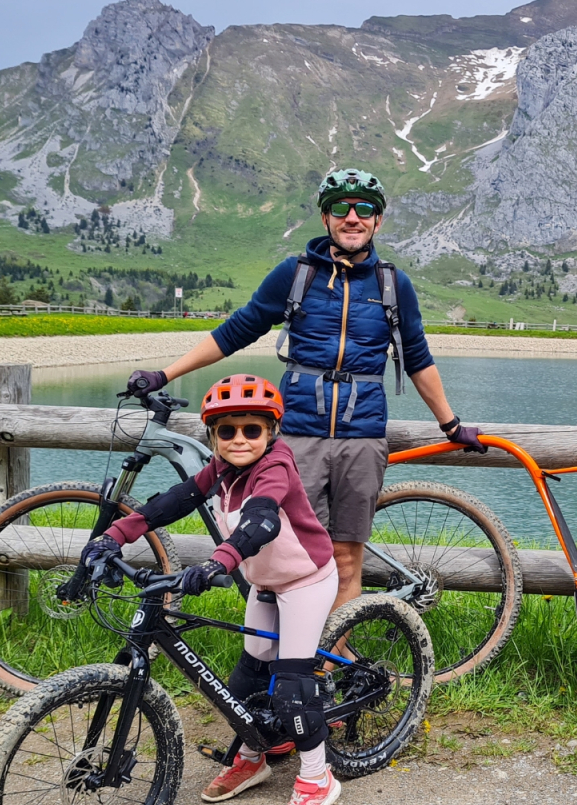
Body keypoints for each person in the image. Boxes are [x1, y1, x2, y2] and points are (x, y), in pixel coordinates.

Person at [124, 168, 480, 616]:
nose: (353, 218)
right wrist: (165, 373)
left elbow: (418, 359)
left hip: (362, 438)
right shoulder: (296, 275)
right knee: (283, 556)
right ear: (325, 218)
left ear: (378, 221)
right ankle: (280, 664)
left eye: (364, 209)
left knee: (347, 560)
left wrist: (451, 423)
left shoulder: (394, 286)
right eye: (341, 208)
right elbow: (236, 331)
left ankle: (328, 670)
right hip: (295, 439)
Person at [80, 376, 342, 805]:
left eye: (251, 429)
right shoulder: (221, 468)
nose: (239, 439)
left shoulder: (275, 466)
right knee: (247, 679)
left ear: (271, 431)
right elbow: (174, 501)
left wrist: (219, 561)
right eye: (227, 431)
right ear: (212, 436)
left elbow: (262, 520)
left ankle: (317, 777)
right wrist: (115, 534)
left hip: (306, 580)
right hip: (265, 581)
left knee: (292, 688)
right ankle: (253, 756)